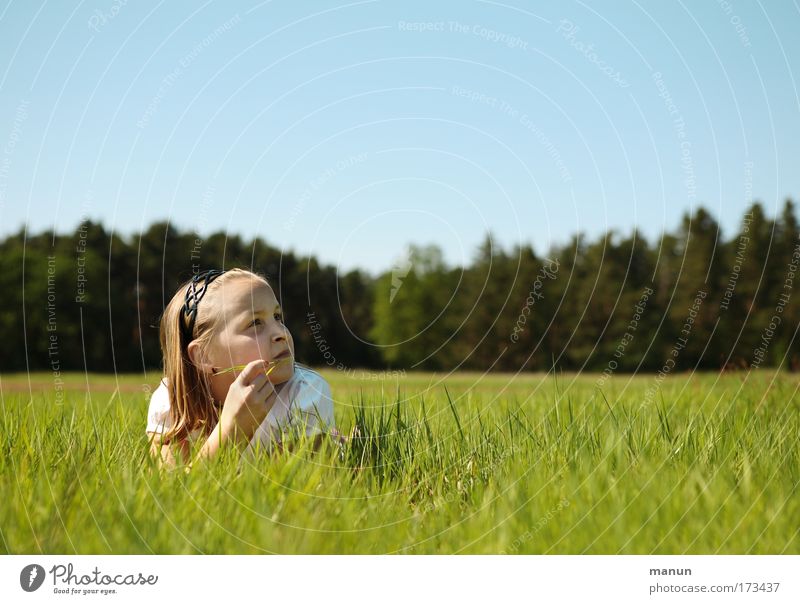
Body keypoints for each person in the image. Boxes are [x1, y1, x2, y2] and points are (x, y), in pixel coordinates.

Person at [146, 268, 339, 470]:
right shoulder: (174, 400)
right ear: (204, 355)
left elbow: (295, 487)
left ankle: (342, 441)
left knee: (339, 450)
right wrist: (231, 429)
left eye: (277, 317)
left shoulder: (305, 392)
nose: (281, 333)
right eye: (255, 322)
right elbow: (174, 492)